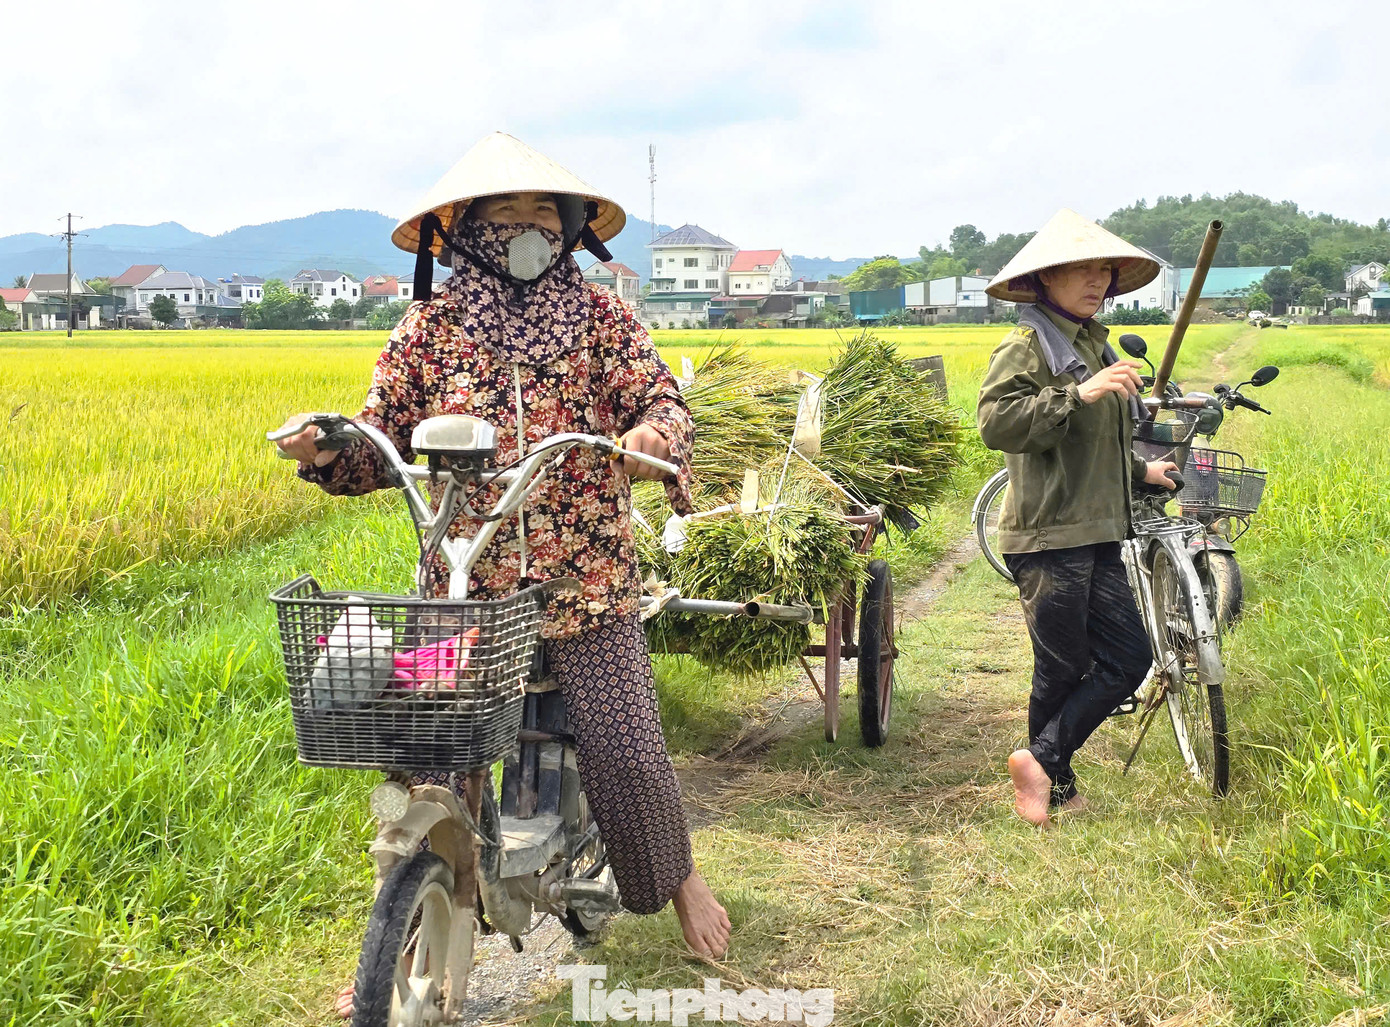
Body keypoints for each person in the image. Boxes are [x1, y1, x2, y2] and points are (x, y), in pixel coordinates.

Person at [275, 132, 730, 1016]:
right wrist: (327, 446)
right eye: (505, 210)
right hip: (466, 584)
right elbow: (378, 436)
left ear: (569, 226)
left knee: (625, 746)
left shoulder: (602, 319)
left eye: (542, 210)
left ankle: (682, 881)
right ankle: (403, 931)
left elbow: (660, 400)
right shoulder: (429, 328)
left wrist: (651, 436)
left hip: (586, 578)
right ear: (466, 227)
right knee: (431, 759)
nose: (526, 225)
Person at [976, 208, 1180, 829]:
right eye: (1081, 270)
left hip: (1098, 527)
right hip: (1049, 531)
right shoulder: (1027, 346)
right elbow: (997, 424)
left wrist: (1141, 471)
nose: (1097, 281)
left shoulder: (1093, 343)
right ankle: (1053, 785)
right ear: (1045, 278)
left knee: (1129, 657)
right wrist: (1079, 393)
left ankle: (1040, 764)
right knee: (1062, 666)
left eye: (1104, 271)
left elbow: (1095, 444)